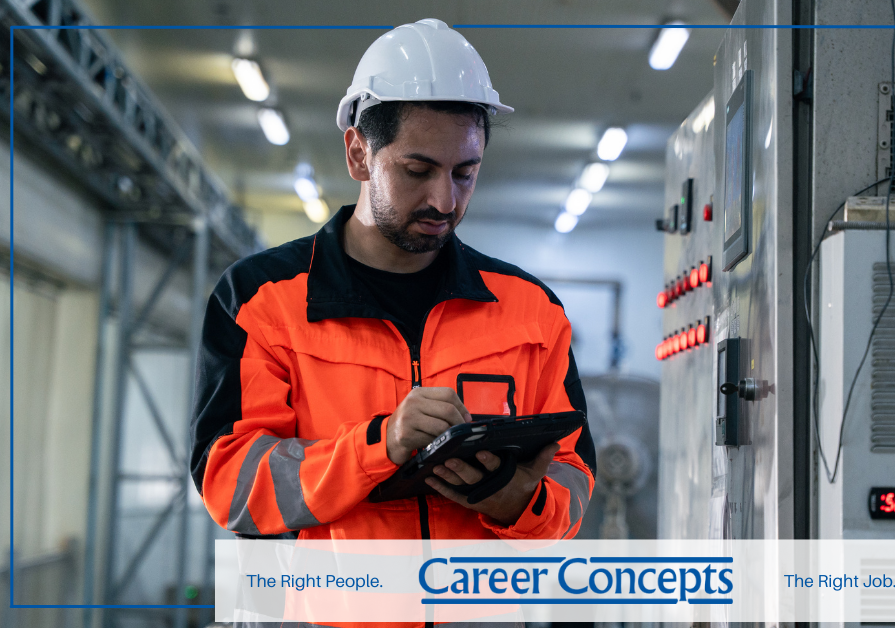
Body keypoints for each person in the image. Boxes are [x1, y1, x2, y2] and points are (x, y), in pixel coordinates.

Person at [189, 17, 595, 572]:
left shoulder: (530, 312)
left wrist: (521, 502)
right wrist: (379, 445)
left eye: (465, 173)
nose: (444, 200)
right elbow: (231, 485)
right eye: (417, 170)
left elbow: (573, 478)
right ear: (358, 154)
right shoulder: (263, 300)